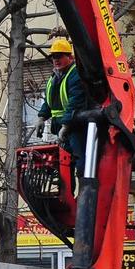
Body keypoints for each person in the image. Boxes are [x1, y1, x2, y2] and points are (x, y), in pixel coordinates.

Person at [42, 37, 87, 174]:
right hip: (60, 127)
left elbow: (75, 102)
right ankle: (67, 194)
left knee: (79, 161)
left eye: (59, 56)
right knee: (63, 164)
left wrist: (66, 126)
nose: (55, 60)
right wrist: (41, 117)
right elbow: (50, 101)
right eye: (53, 57)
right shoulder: (54, 77)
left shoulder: (75, 75)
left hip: (75, 127)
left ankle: (85, 191)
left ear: (70, 57)